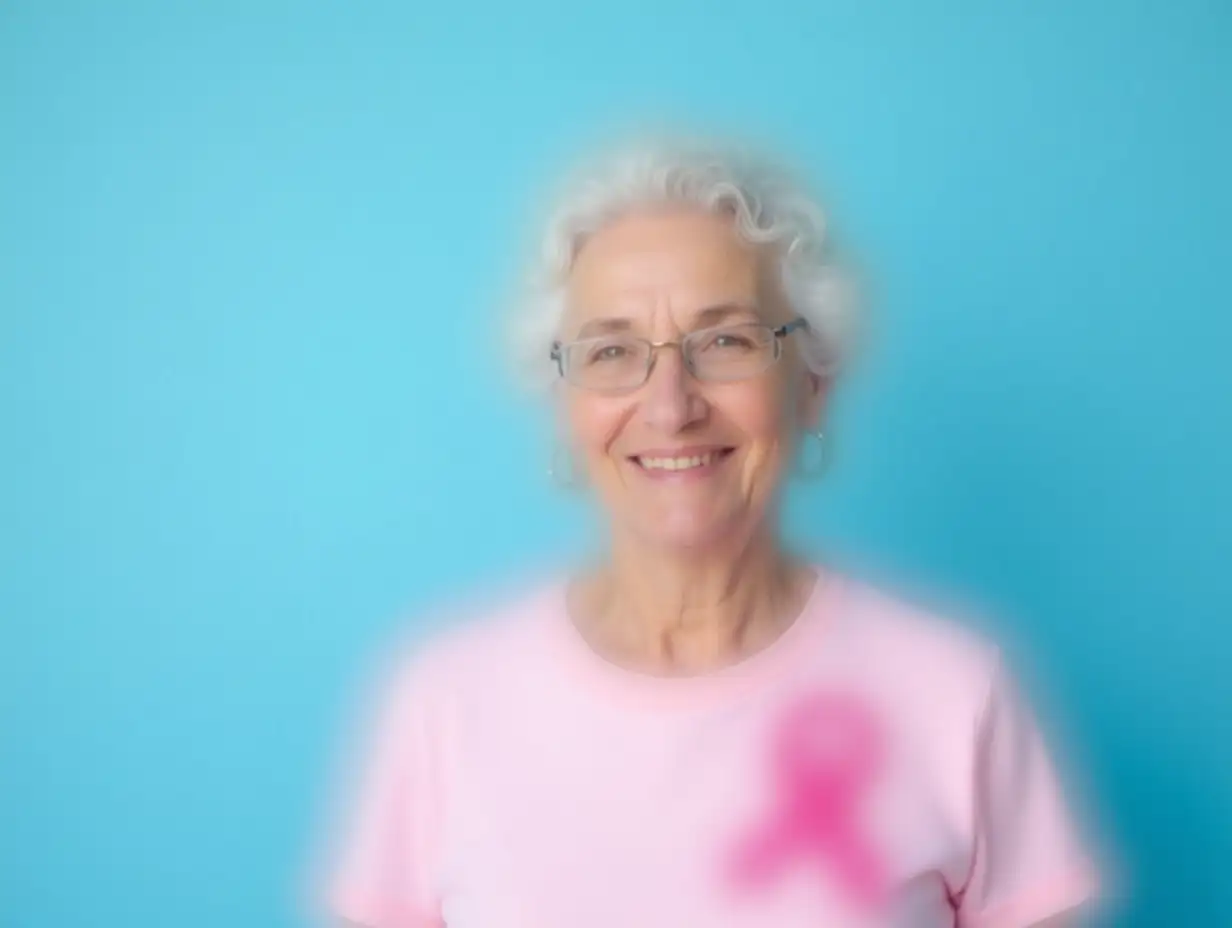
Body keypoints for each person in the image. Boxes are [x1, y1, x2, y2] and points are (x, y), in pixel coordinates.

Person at [318, 135, 1102, 927]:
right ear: (564, 406)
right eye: (613, 350)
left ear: (814, 385)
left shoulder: (958, 692)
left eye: (725, 341)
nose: (670, 405)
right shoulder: (442, 699)